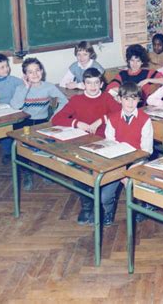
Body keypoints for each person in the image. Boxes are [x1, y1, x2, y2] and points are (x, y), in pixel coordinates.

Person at [52, 67, 121, 225]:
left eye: (96, 82)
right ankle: (87, 206)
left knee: (99, 175)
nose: (93, 86)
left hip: (103, 143)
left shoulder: (106, 98)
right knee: (79, 173)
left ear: (102, 84)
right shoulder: (76, 100)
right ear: (83, 84)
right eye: (89, 83)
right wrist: (77, 123)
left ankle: (102, 207)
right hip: (81, 144)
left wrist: (101, 119)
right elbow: (57, 118)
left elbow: (119, 113)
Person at [10, 58, 68, 190]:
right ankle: (27, 172)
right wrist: (25, 88)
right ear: (25, 75)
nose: (34, 74)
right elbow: (15, 106)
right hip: (23, 122)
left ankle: (44, 169)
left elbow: (64, 101)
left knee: (45, 146)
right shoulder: (20, 88)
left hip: (42, 122)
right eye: (30, 72)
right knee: (21, 147)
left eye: (37, 70)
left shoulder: (49, 87)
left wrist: (54, 117)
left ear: (42, 71)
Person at [101, 82, 153, 225]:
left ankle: (141, 207)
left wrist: (128, 172)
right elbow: (110, 145)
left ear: (139, 100)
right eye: (126, 98)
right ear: (119, 99)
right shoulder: (112, 118)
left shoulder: (145, 120)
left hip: (138, 161)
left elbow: (146, 150)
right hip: (117, 163)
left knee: (135, 187)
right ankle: (108, 211)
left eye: (134, 98)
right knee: (105, 196)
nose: (130, 103)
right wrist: (121, 170)